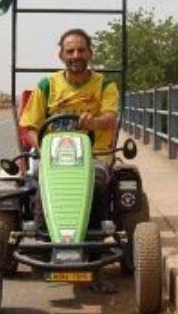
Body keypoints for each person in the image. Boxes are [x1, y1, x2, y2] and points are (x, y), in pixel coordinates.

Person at [19, 28, 120, 224]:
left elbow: (110, 118)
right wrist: (43, 149)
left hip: (94, 154)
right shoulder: (46, 85)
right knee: (41, 183)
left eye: (81, 50)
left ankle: (96, 238)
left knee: (97, 183)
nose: (76, 56)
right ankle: (43, 238)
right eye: (70, 51)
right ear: (61, 55)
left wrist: (94, 123)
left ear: (90, 54)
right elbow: (29, 127)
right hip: (53, 156)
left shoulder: (105, 84)